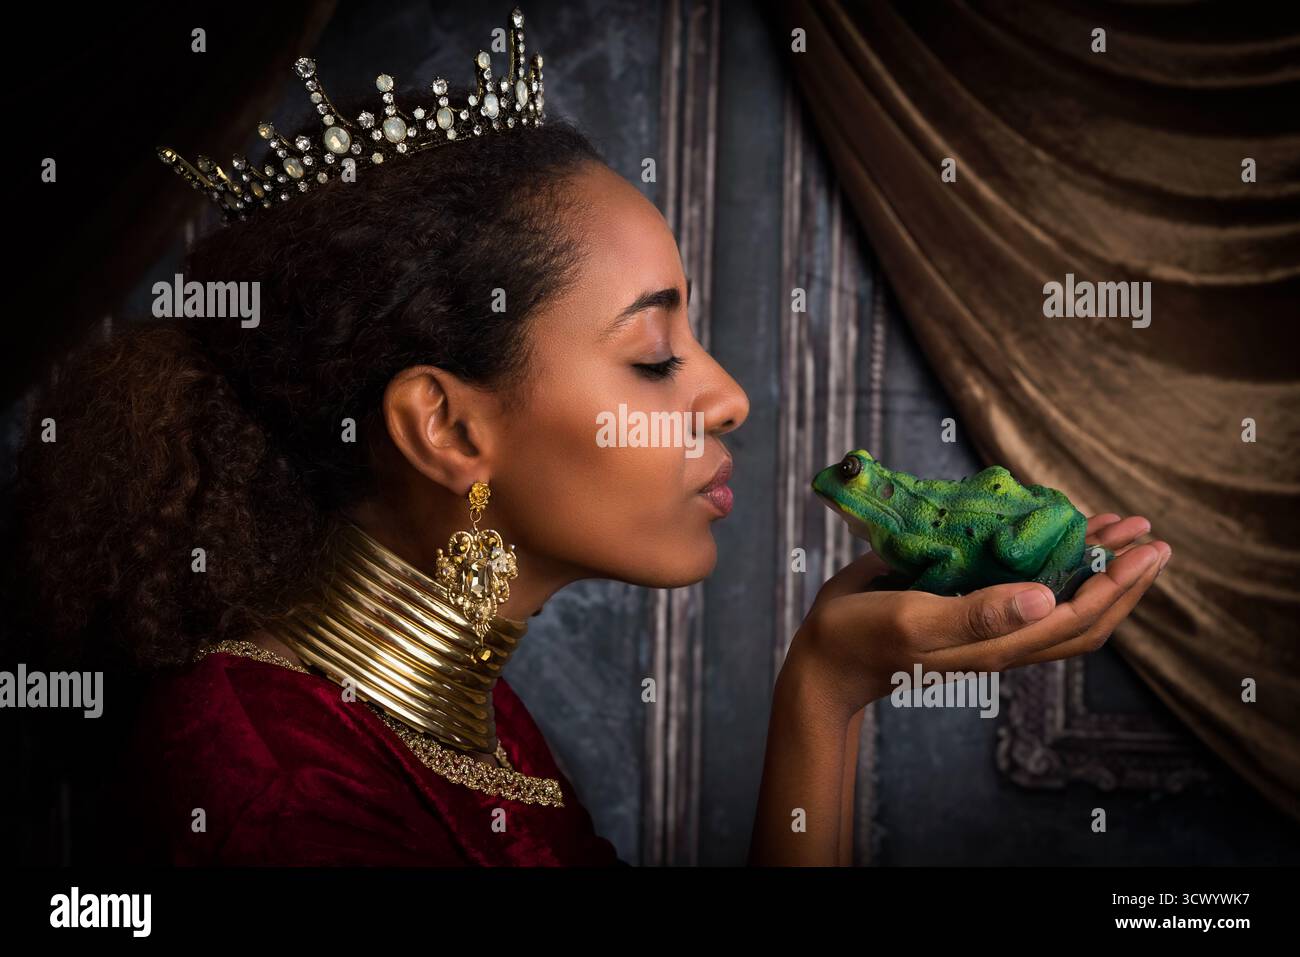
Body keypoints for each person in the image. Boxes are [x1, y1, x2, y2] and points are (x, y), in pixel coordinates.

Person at [7, 10, 1171, 866]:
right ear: (446, 425)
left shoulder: (475, 720)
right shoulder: (262, 788)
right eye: (653, 357)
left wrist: (827, 686)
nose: (727, 399)